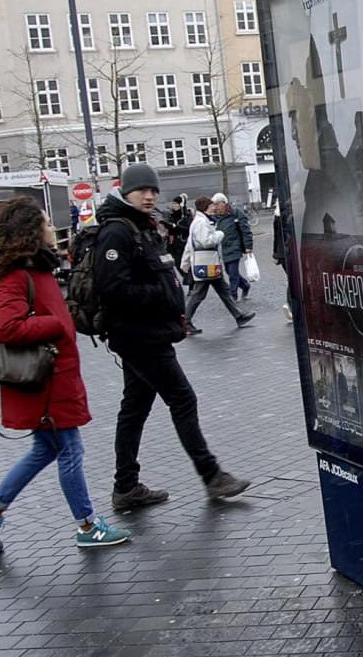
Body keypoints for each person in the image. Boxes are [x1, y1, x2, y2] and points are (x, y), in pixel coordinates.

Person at [0, 197, 131, 551]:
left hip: (54, 379)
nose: (50, 228)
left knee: (45, 450)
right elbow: (7, 327)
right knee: (69, 450)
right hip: (46, 383)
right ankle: (87, 525)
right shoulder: (17, 276)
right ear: (29, 232)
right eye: (44, 222)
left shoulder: (35, 270)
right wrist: (55, 323)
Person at [93, 165, 251, 510]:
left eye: (153, 190)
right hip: (140, 335)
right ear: (126, 191)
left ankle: (125, 487)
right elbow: (113, 288)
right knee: (182, 398)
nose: (149, 196)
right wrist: (159, 294)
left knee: (134, 408)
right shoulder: (117, 232)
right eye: (142, 190)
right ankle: (212, 475)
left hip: (146, 334)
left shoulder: (141, 225)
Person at [181, 196, 255, 335]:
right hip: (207, 264)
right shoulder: (201, 223)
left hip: (210, 264)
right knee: (199, 294)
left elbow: (189, 245)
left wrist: (185, 262)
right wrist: (220, 234)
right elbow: (206, 242)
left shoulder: (201, 221)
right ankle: (185, 321)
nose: (214, 207)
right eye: (211, 205)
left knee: (224, 291)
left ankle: (239, 316)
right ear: (205, 207)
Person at [211, 193, 253, 301]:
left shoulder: (235, 213)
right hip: (222, 249)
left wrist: (248, 246)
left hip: (235, 247)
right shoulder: (214, 217)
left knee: (233, 273)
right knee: (229, 272)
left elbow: (245, 230)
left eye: (217, 204)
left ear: (224, 203)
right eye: (214, 204)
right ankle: (245, 286)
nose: (215, 207)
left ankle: (232, 296)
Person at [272, 202, 291, 324]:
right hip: (290, 251)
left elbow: (276, 236)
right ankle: (291, 305)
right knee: (295, 280)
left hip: (282, 253)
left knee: (292, 279)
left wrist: (275, 253)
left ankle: (292, 305)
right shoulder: (289, 214)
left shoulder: (277, 216)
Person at [164, 195, 192, 265]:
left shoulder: (186, 215)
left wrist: (176, 226)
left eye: (176, 204)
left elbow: (188, 227)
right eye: (173, 203)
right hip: (173, 244)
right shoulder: (171, 215)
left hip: (183, 243)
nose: (174, 205)